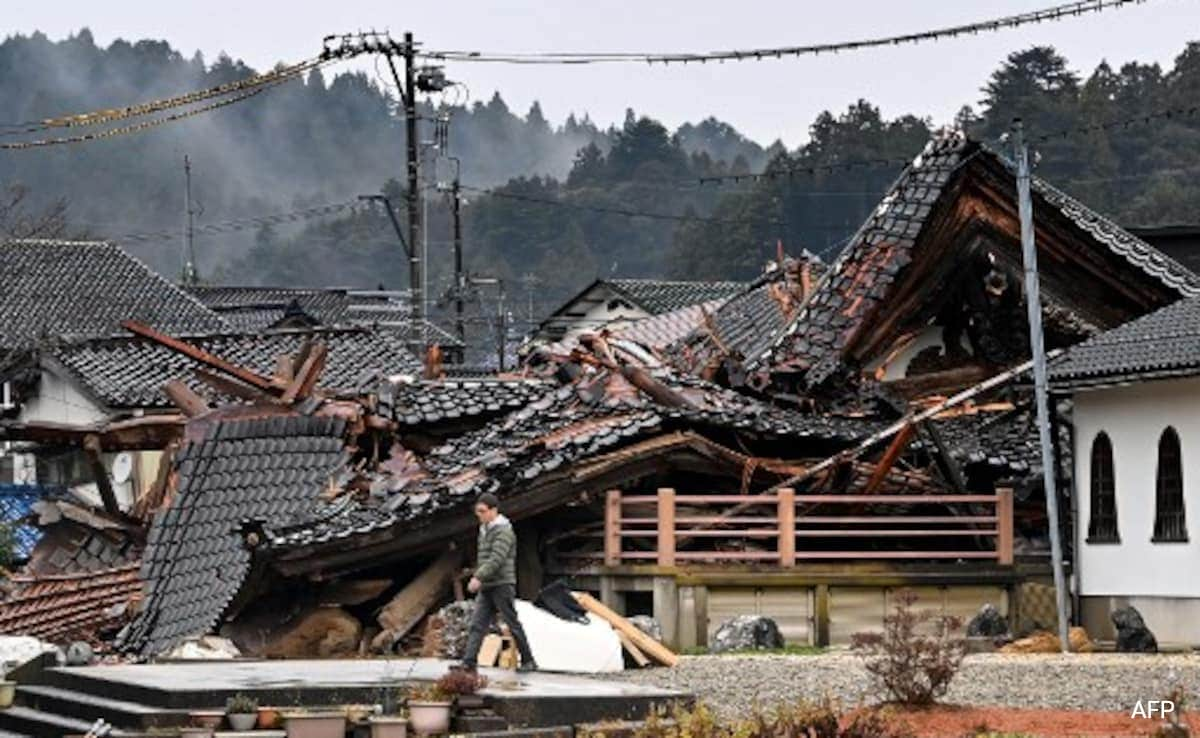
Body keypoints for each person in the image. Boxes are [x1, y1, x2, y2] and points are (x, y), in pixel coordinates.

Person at [459, 493, 538, 672]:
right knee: (477, 624)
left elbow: (497, 558)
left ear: (494, 511)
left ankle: (528, 660)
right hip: (488, 584)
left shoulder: (504, 531)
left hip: (502, 584)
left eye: (482, 511)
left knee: (511, 623)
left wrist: (478, 577)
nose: (479, 515)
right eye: (477, 512)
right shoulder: (484, 529)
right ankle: (468, 662)